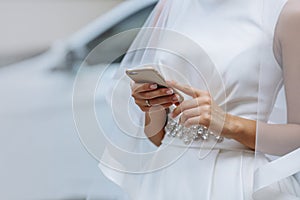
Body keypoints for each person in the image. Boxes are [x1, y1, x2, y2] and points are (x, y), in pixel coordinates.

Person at [99, 0, 300, 199]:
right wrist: (152, 103)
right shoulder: (170, 6)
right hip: (166, 178)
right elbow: (157, 138)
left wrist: (229, 123)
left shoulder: (288, 12)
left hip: (236, 182)